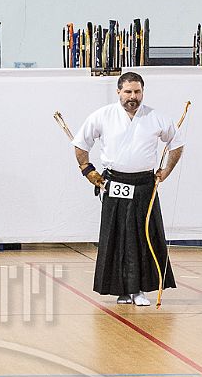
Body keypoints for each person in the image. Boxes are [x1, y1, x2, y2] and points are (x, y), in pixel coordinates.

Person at [71, 72, 183, 305]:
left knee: (144, 235)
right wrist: (88, 171)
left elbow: (177, 143)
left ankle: (139, 289)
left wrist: (166, 171)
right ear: (119, 92)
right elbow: (81, 144)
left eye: (137, 92)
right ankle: (121, 289)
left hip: (144, 184)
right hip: (114, 183)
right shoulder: (103, 115)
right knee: (117, 236)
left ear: (143, 92)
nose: (133, 97)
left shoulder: (155, 117)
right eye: (128, 92)